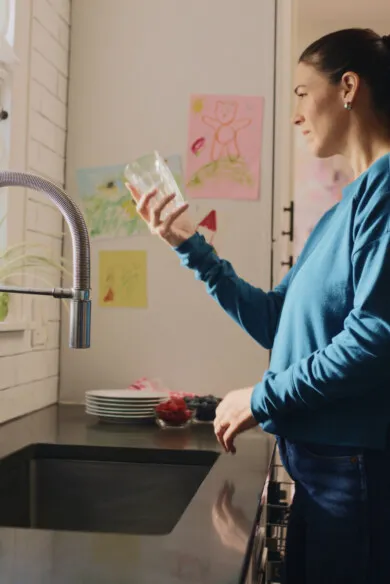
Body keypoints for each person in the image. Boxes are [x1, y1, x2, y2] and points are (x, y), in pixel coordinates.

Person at [126, 28, 390, 584]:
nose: (295, 112)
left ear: (348, 87)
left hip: (354, 472)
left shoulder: (384, 196)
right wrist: (188, 246)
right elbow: (276, 318)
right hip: (324, 468)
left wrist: (262, 397)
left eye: (300, 91)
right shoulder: (347, 206)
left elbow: (375, 338)